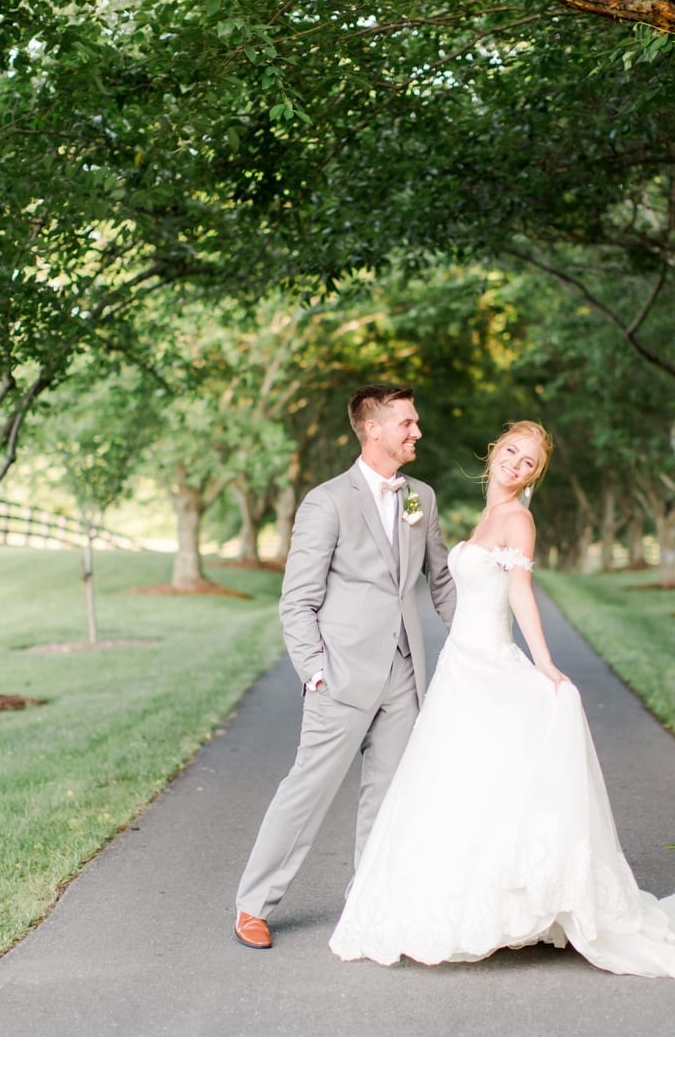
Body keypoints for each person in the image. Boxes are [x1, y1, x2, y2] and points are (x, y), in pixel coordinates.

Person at [328, 421, 675, 978]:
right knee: (455, 779)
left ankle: (502, 905)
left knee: (481, 778)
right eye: (510, 451)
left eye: (528, 462)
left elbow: (519, 593)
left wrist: (544, 662)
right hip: (459, 666)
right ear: (493, 452)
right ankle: (455, 897)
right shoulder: (488, 513)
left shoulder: (517, 519)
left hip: (487, 664)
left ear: (536, 474)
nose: (515, 464)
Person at [233, 384, 458, 949]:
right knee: (308, 790)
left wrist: (481, 639)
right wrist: (314, 670)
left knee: (388, 796)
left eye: (416, 422)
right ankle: (253, 905)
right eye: (407, 423)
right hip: (340, 674)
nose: (417, 432)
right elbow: (298, 599)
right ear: (373, 429)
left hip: (404, 673)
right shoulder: (327, 501)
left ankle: (369, 905)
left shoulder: (420, 498)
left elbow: (442, 580)